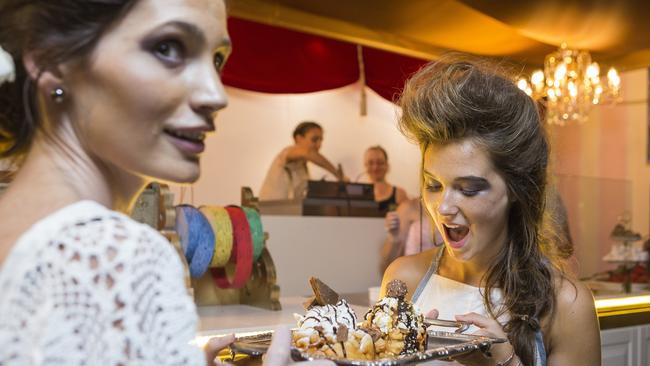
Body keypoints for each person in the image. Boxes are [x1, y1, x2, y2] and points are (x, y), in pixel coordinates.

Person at [0, 1, 332, 365]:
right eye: (168, 48)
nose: (216, 95)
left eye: (218, 60)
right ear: (51, 60)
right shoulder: (116, 257)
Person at [381, 57, 600, 366]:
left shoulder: (567, 305)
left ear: (515, 189)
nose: (443, 207)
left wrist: (504, 361)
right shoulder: (403, 278)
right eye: (433, 185)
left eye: (469, 189)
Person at [259, 121, 345, 200]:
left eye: (321, 140)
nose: (319, 145)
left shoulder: (303, 167)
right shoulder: (288, 151)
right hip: (269, 213)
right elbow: (308, 152)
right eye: (314, 140)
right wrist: (336, 173)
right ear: (298, 138)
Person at [380, 197, 443, 274]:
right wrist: (394, 237)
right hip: (413, 277)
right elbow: (388, 263)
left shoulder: (451, 207)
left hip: (444, 278)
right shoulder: (409, 208)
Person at [362, 145, 408, 214]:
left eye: (380, 163)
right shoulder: (357, 194)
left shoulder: (399, 194)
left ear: (387, 165)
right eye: (371, 163)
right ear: (365, 166)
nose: (375, 167)